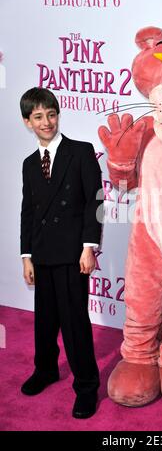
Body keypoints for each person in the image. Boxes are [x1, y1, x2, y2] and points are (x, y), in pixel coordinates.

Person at [20, 87, 103, 419]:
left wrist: (89, 248)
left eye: (51, 114)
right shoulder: (29, 164)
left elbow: (94, 203)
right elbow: (28, 211)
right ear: (27, 122)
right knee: (44, 321)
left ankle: (86, 385)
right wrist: (25, 255)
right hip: (41, 254)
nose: (46, 122)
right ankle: (46, 369)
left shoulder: (81, 152)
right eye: (38, 117)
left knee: (74, 323)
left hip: (72, 253)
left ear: (58, 115)